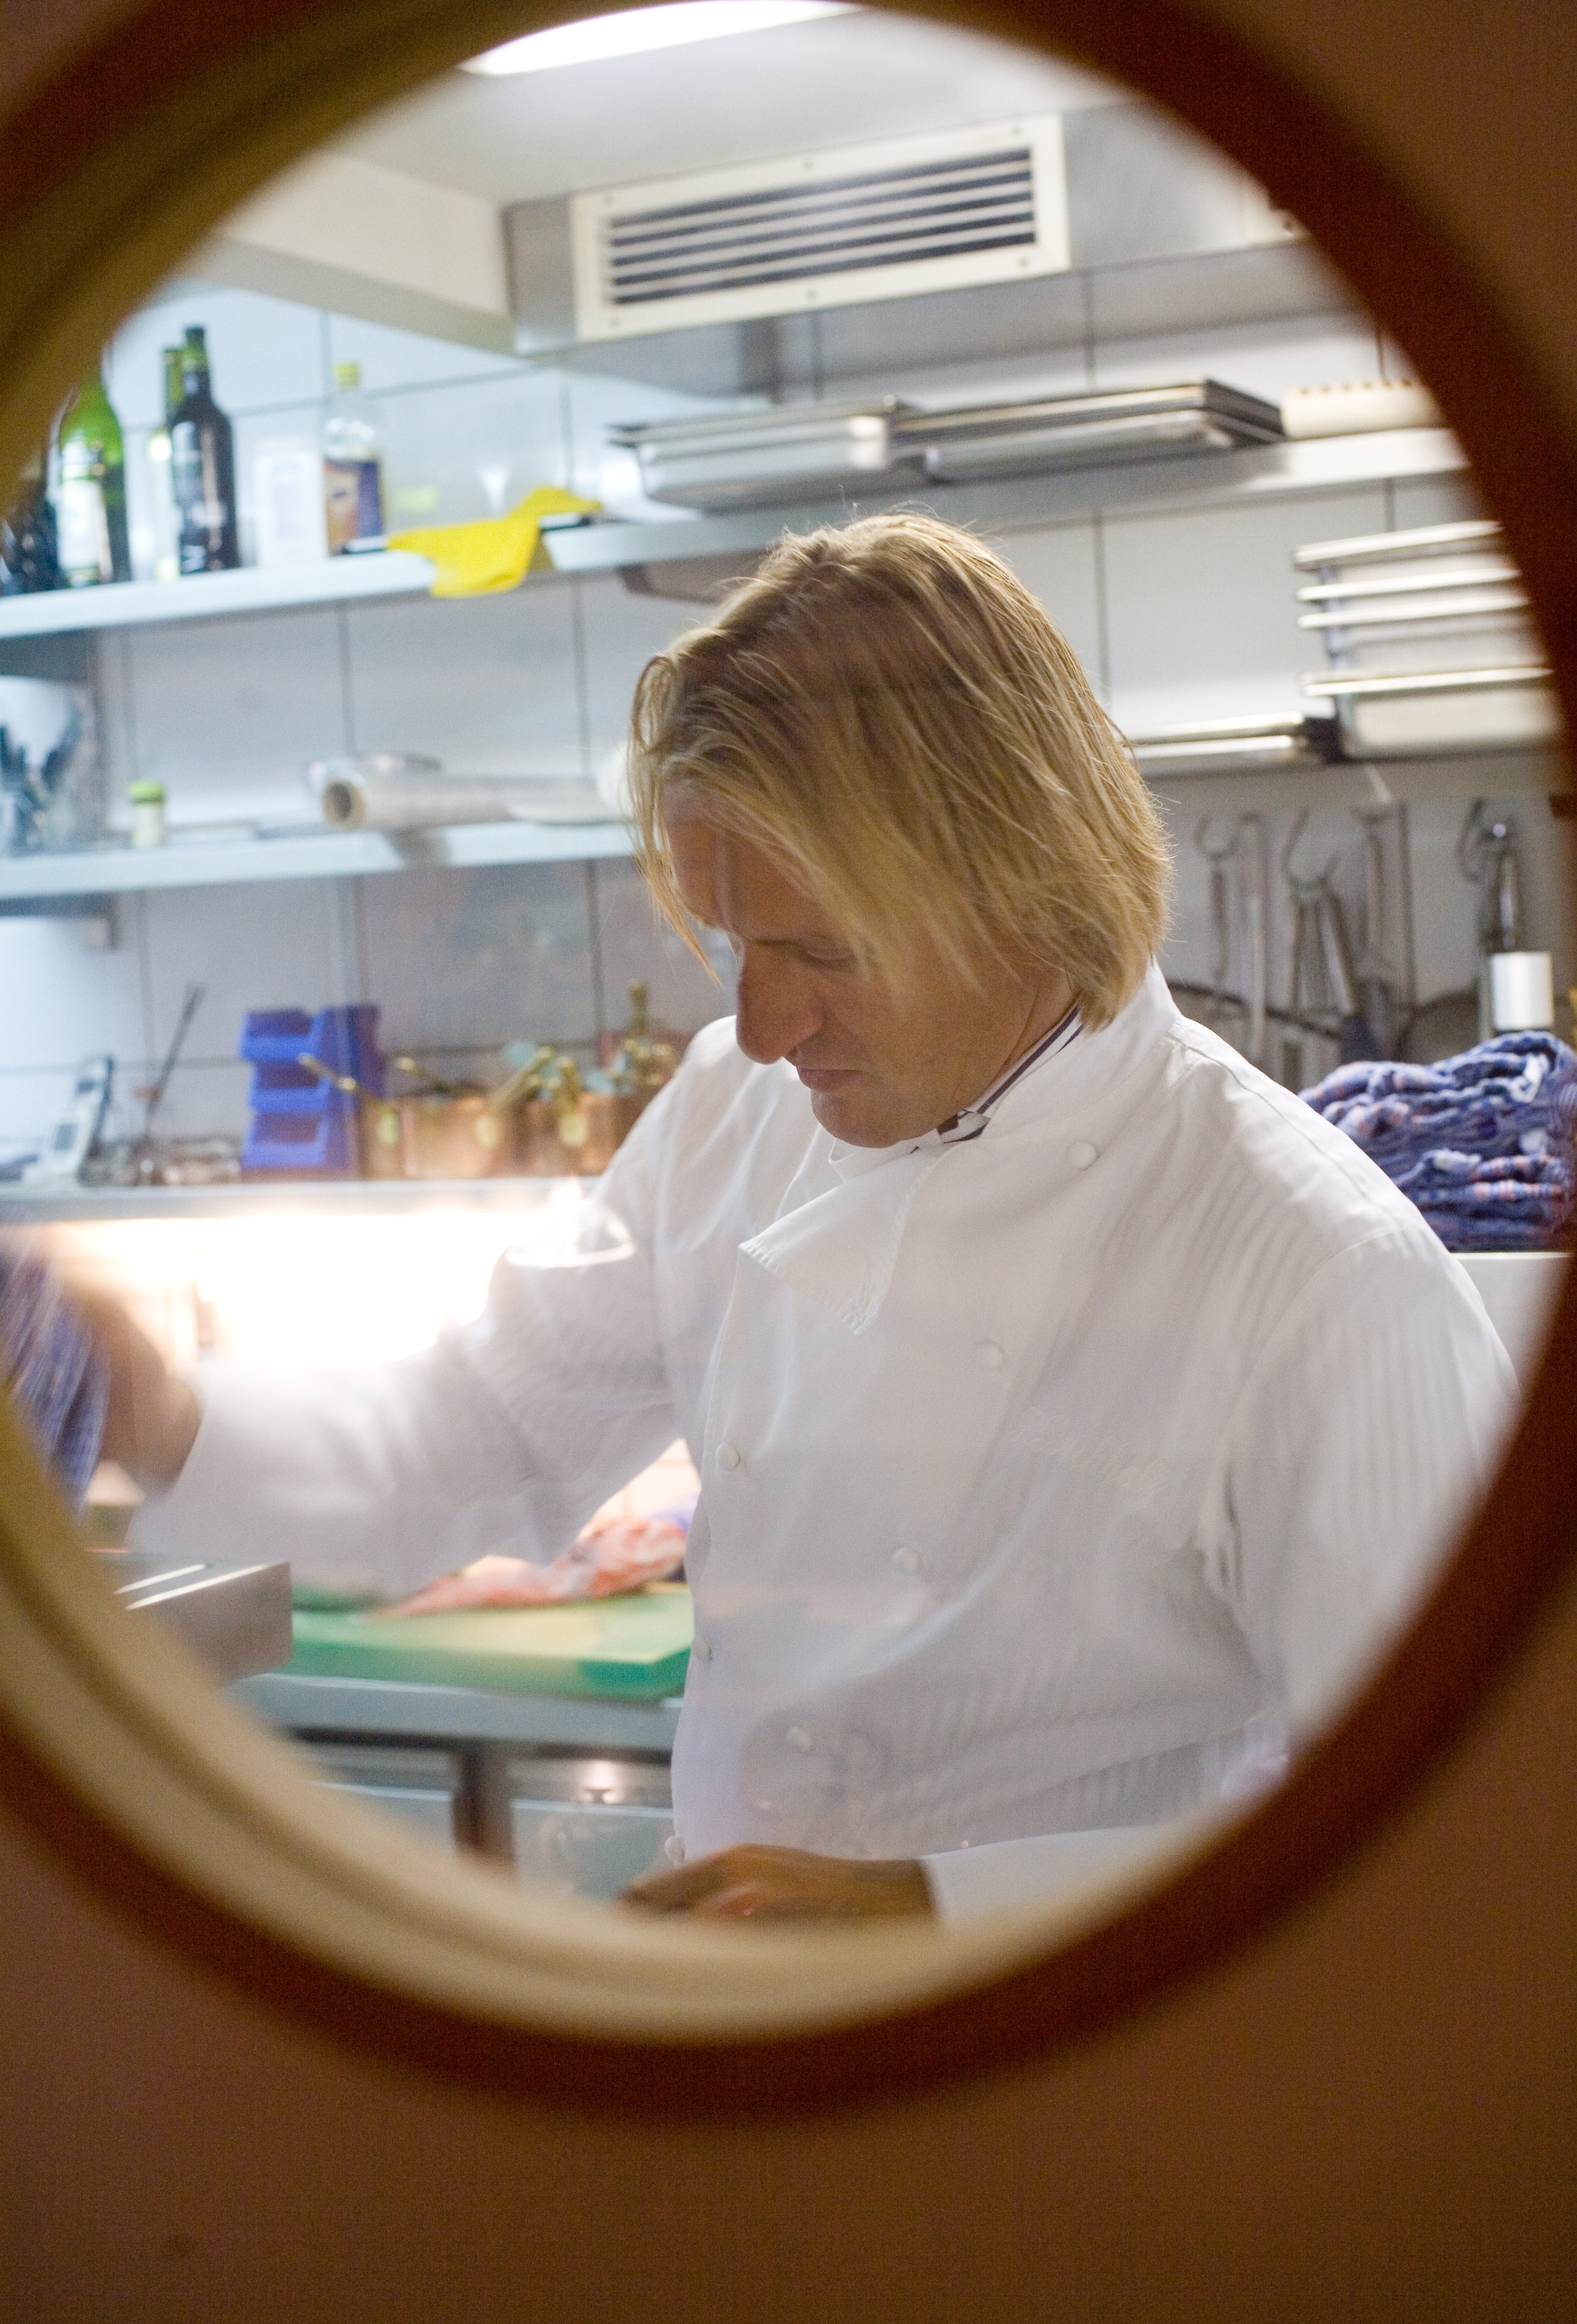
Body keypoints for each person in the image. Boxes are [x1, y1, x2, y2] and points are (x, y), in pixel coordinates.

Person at [96, 515, 1517, 1925]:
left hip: (1092, 2086)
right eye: (734, 943)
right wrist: (148, 1407)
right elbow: (465, 1437)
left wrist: (933, 1912)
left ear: (1025, 884)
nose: (760, 1026)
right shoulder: (733, 1113)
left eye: (822, 952)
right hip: (744, 2046)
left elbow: (1450, 1848)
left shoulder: (1317, 1276)